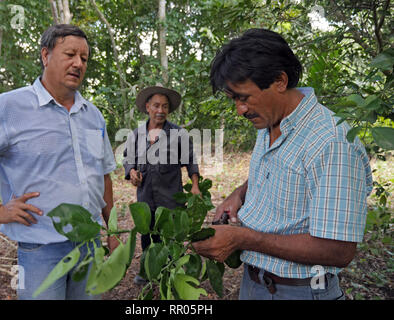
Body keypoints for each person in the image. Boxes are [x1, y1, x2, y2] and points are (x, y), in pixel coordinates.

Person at [192, 28, 373, 300]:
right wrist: (238, 194)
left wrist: (242, 238)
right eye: (234, 100)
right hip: (255, 283)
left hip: (299, 292)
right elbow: (276, 170)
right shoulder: (268, 121)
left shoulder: (331, 144)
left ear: (279, 80)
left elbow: (339, 250)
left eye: (244, 97)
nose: (239, 110)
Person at [0, 24, 119, 300]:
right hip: (40, 249)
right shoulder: (8, 108)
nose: (78, 63)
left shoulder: (92, 115)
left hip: (90, 245)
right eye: (70, 54)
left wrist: (114, 229)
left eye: (84, 59)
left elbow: (103, 174)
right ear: (45, 55)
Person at [123, 85, 201, 284]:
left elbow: (191, 160)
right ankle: (147, 272)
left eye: (165, 106)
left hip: (170, 197)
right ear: (147, 107)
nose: (160, 110)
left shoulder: (178, 134)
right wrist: (131, 172)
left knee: (169, 236)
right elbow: (128, 159)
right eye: (156, 105)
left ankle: (171, 270)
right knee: (147, 234)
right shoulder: (136, 134)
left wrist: (195, 185)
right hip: (146, 197)